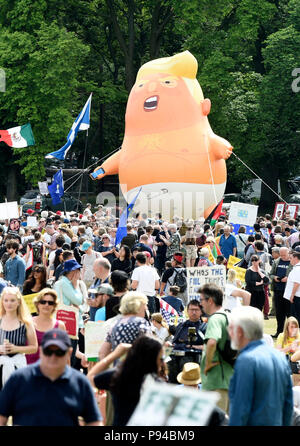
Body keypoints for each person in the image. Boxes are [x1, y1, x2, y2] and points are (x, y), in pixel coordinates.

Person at [0, 329, 101, 426]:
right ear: (40, 351)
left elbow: (94, 421)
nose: (53, 357)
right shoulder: (19, 379)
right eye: (48, 351)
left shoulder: (80, 383)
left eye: (59, 352)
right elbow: (1, 418)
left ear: (69, 353)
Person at [228, 306, 293, 426]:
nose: (229, 333)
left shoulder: (246, 360)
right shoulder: (280, 358)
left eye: (231, 328)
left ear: (240, 331)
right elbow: (288, 405)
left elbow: (240, 409)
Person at [88, 335, 166, 426]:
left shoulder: (118, 375)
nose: (163, 363)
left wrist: (115, 354)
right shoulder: (156, 383)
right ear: (152, 359)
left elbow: (90, 378)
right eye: (161, 359)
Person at [199, 283, 234, 413]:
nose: (201, 304)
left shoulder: (215, 318)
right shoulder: (229, 316)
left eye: (202, 300)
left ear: (210, 301)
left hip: (216, 381)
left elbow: (212, 342)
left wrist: (207, 364)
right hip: (229, 380)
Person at [0, 287, 38, 390]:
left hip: (18, 366)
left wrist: (16, 349)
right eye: (6, 300)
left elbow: (34, 347)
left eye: (12, 300)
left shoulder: (26, 323)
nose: (9, 303)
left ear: (18, 302)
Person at [99, 292, 151, 360]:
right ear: (138, 305)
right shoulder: (141, 322)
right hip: (138, 367)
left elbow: (103, 352)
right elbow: (150, 347)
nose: (146, 307)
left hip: (118, 368)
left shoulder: (115, 324)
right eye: (144, 304)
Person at [53, 259, 86, 367]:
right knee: (70, 356)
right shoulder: (65, 283)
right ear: (73, 271)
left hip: (62, 320)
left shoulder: (60, 282)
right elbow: (78, 300)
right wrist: (76, 285)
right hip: (69, 322)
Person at [167, 299, 206, 384]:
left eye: (196, 310)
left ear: (201, 312)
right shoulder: (181, 325)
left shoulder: (205, 327)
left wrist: (194, 347)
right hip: (175, 360)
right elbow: (175, 341)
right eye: (192, 310)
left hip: (194, 361)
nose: (194, 312)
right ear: (187, 311)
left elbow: (209, 346)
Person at [26, 288, 66, 365]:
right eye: (43, 302)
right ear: (37, 304)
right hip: (28, 368)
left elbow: (64, 352)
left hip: (51, 369)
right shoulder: (28, 322)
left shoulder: (60, 326)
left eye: (50, 303)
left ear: (54, 306)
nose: (46, 305)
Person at [270, 247, 293, 337]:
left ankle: (291, 333)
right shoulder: (276, 261)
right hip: (278, 290)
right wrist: (274, 277)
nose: (282, 257)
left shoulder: (293, 262)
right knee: (279, 313)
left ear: (289, 253)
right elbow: (271, 274)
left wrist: (288, 279)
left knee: (289, 314)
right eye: (281, 255)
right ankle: (279, 332)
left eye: (284, 255)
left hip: (288, 292)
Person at [276, 316, 300, 384]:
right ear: (287, 327)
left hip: (296, 361)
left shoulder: (299, 336)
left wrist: (296, 348)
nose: (293, 329)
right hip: (285, 360)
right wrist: (290, 347)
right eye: (291, 327)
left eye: (295, 327)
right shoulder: (282, 336)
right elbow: (278, 351)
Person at [284, 250, 300, 327]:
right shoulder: (296, 268)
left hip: (296, 297)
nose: (289, 260)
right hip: (296, 297)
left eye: (291, 258)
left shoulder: (297, 269)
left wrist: (292, 295)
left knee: (296, 318)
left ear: (296, 258)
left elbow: (297, 283)